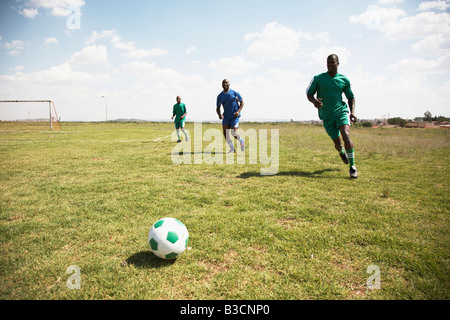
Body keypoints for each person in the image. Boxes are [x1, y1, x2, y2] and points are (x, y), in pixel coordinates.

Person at [306, 54, 358, 179]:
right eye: (328, 62)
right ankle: (341, 152)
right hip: (326, 115)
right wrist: (314, 102)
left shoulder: (344, 80)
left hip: (341, 112)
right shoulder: (318, 78)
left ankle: (353, 167)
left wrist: (352, 112)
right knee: (338, 144)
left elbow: (351, 97)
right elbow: (309, 93)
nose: (330, 64)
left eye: (332, 62)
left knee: (345, 134)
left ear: (338, 64)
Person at [216, 79, 245, 153]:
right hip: (226, 116)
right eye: (224, 83)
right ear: (222, 85)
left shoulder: (235, 93)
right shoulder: (220, 96)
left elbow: (242, 103)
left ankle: (241, 141)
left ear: (229, 84)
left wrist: (238, 111)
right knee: (225, 133)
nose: (225, 84)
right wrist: (219, 115)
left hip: (234, 116)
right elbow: (218, 108)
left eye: (227, 82)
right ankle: (232, 149)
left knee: (233, 133)